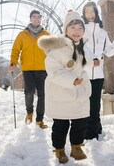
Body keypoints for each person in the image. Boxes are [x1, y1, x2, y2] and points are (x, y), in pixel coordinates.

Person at [38, 10, 94, 163]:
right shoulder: (57, 49)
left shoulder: (83, 46)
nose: (77, 31)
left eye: (80, 28)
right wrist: (71, 80)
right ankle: (60, 149)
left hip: (79, 89)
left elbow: (86, 63)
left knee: (80, 121)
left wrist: (92, 61)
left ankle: (76, 147)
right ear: (66, 30)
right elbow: (54, 70)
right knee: (61, 124)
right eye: (73, 27)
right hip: (61, 91)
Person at [81, 1, 114, 140]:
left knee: (95, 104)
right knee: (86, 104)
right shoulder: (81, 31)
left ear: (96, 13)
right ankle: (92, 131)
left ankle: (94, 131)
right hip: (85, 73)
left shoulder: (102, 33)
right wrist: (92, 58)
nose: (90, 14)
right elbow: (80, 48)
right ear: (84, 14)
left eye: (92, 11)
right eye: (87, 12)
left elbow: (110, 51)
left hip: (98, 74)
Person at [9, 10, 51, 129]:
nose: (36, 19)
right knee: (29, 92)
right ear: (30, 18)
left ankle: (39, 120)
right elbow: (15, 50)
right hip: (27, 69)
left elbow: (52, 50)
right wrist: (13, 63)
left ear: (40, 19)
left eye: (38, 17)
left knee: (42, 95)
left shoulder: (46, 35)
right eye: (34, 17)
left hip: (42, 69)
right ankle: (29, 113)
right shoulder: (22, 35)